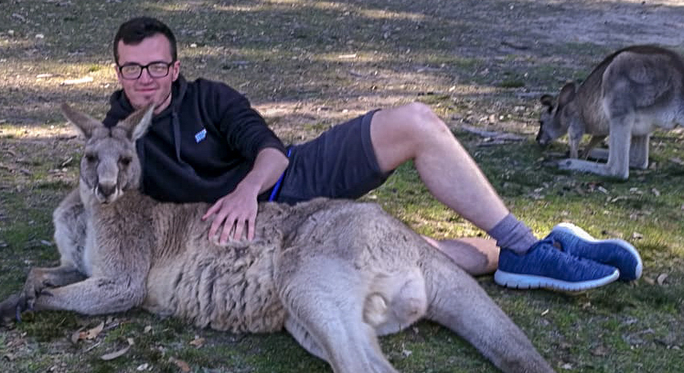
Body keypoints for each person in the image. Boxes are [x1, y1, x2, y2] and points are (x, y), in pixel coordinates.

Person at [102, 17, 641, 293]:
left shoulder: (209, 97)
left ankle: (522, 240)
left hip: (286, 183)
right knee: (404, 253)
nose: (144, 80)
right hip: (251, 237)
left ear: (174, 68)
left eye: (156, 67)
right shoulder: (115, 132)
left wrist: (244, 191)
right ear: (119, 72)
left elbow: (271, 154)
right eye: (132, 69)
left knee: (414, 121)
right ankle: (533, 253)